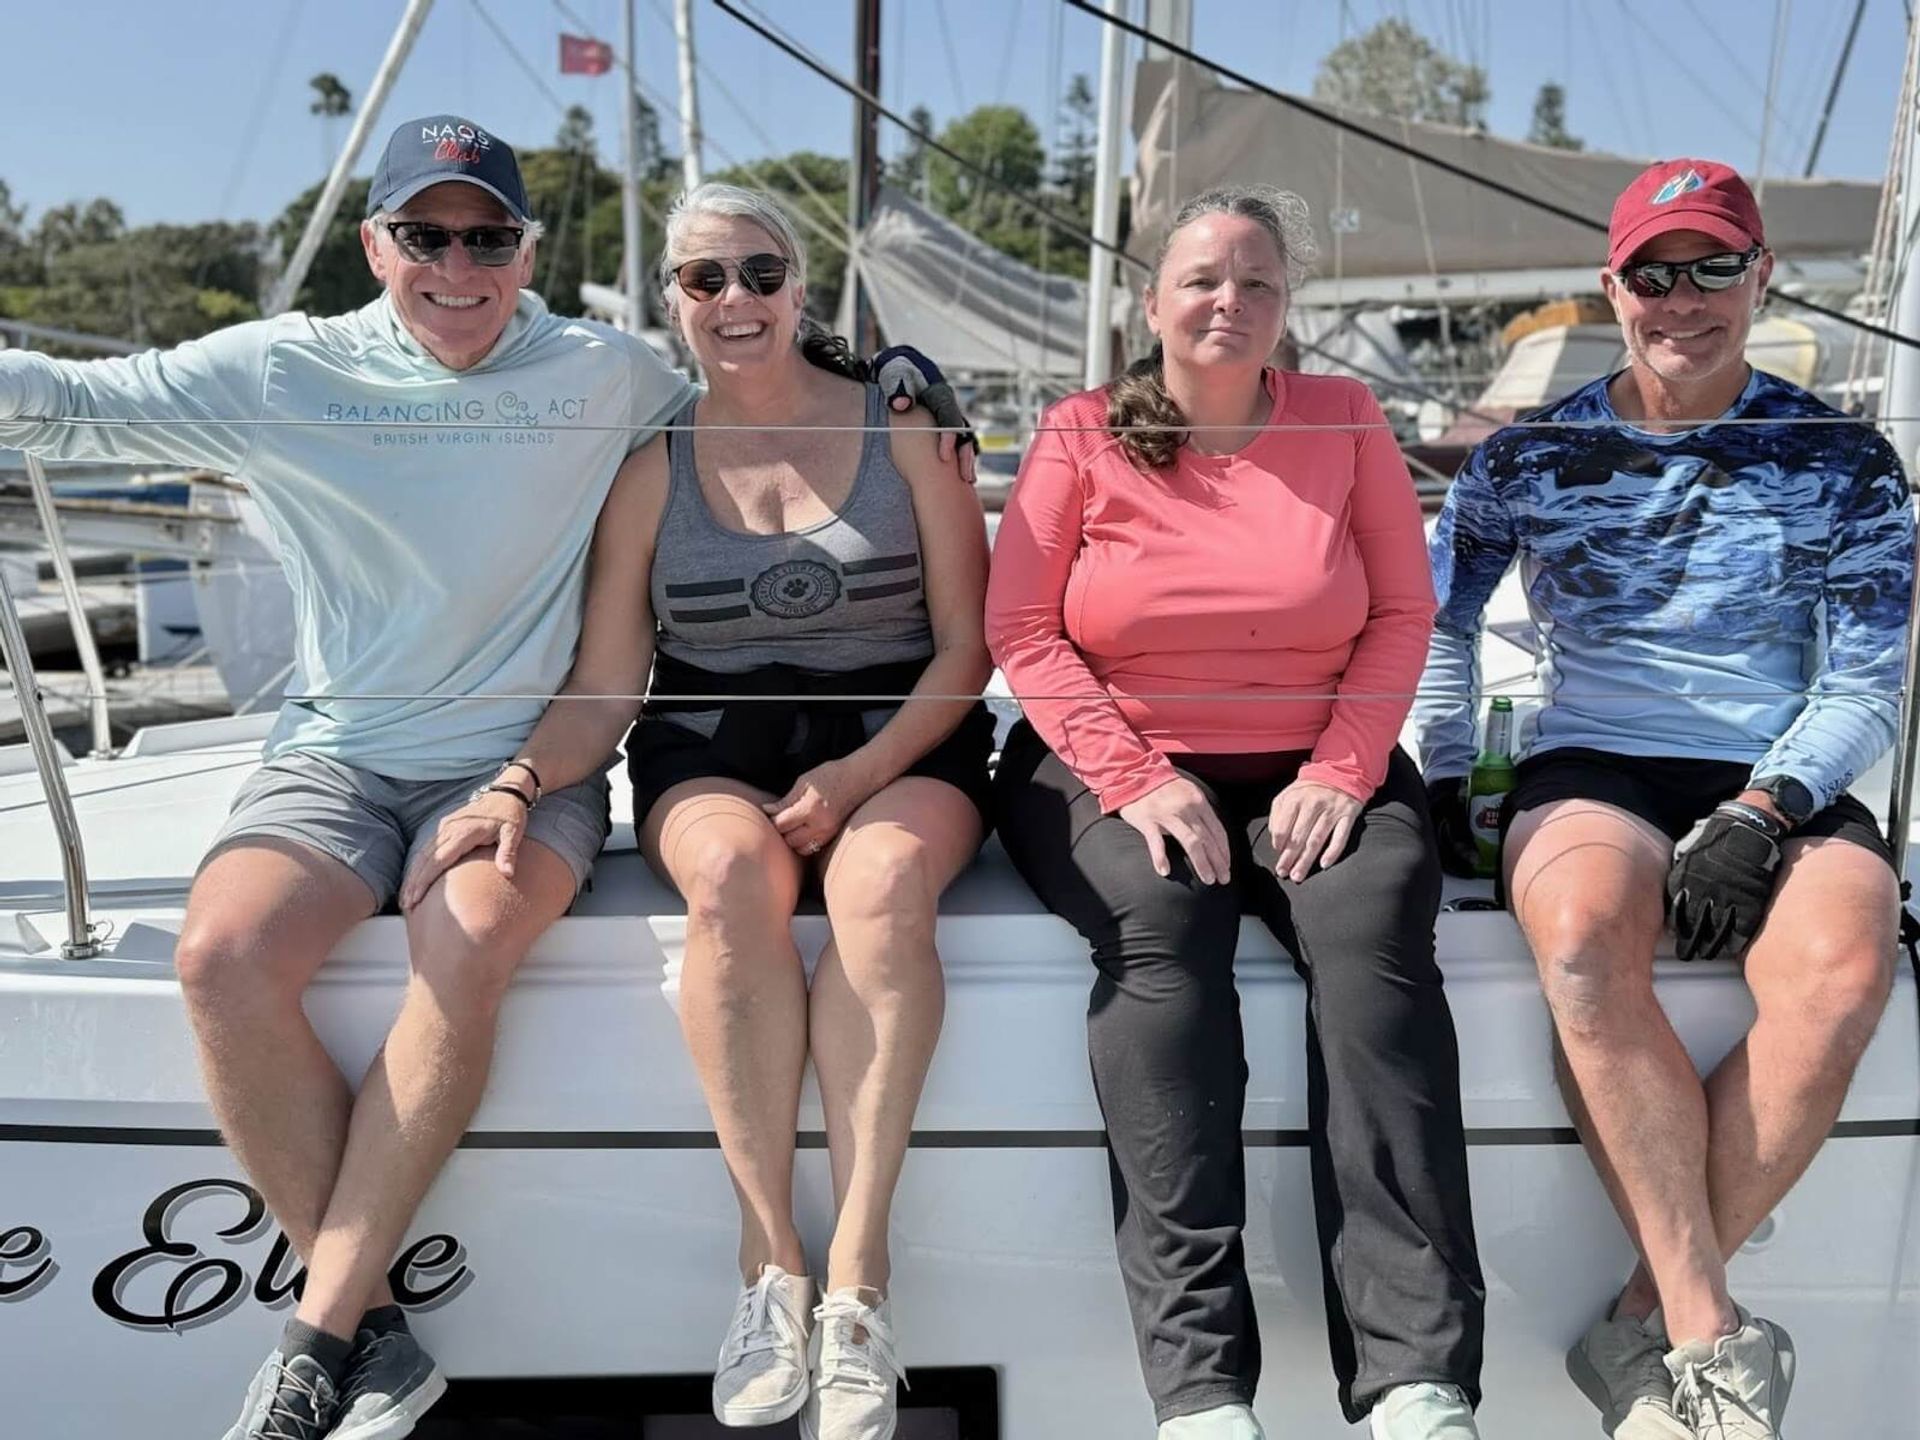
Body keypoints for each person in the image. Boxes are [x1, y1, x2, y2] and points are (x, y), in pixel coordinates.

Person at [0, 120, 967, 1440]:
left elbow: (808, 417)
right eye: (427, 235)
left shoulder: (611, 372)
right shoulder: (284, 367)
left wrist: (902, 375)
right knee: (218, 958)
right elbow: (78, 403)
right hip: (347, 752)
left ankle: (316, 1344)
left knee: (476, 940)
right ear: (375, 245)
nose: (458, 265)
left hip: (564, 760)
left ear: (527, 253)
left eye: (489, 239)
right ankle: (374, 1331)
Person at [406, 181, 992, 1440]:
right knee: (731, 884)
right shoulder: (650, 476)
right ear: (671, 300)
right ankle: (769, 1262)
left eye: (762, 274)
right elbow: (606, 688)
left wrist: (858, 777)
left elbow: (965, 654)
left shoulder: (909, 436)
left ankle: (859, 1284)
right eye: (705, 280)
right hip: (713, 738)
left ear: (801, 287)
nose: (737, 301)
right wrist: (514, 782)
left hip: (899, 735)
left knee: (881, 888)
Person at [1416, 159, 1911, 1440]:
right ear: (1611, 286)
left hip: (1778, 764)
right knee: (1581, 941)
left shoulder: (1845, 457)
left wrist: (1764, 809)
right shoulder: (1531, 452)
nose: (1680, 299)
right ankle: (1706, 1330)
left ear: (1760, 278)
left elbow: (1868, 681)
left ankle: (1643, 1322)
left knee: (1848, 974)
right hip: (1595, 758)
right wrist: (1433, 767)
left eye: (1710, 269)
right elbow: (1438, 627)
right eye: (1653, 272)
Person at [986, 185, 1485, 1440]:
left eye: (1257, 283)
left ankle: (1415, 1379)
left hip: (1319, 757)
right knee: (1160, 936)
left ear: (1285, 312)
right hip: (1117, 760)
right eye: (1202, 279)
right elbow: (1024, 631)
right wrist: (1137, 776)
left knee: (1375, 944)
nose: (1228, 302)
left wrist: (1343, 765)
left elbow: (1399, 616)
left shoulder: (1346, 418)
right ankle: (1202, 1390)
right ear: (1151, 302)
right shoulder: (1079, 433)